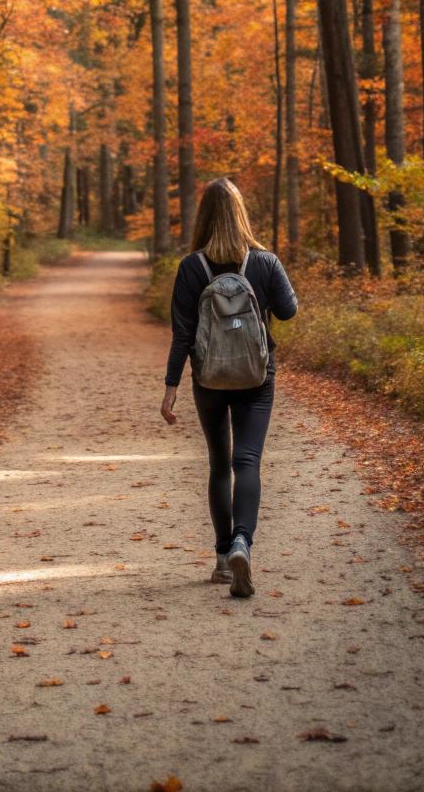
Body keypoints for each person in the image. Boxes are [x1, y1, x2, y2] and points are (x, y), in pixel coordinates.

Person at [160, 175, 297, 599]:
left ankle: (222, 559)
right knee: (248, 460)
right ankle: (243, 542)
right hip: (257, 375)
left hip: (209, 377)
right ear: (241, 214)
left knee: (219, 463)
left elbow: (182, 333)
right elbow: (289, 312)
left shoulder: (191, 267)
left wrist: (171, 386)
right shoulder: (265, 262)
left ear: (204, 216)